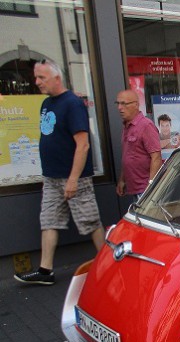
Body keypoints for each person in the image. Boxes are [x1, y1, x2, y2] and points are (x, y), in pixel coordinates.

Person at [14, 59, 104, 286]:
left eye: (41, 78)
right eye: (36, 77)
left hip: (74, 177)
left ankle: (107, 263)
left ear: (56, 78)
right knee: (49, 220)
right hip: (51, 177)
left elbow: (82, 145)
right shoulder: (46, 103)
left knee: (90, 221)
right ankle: (46, 271)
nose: (37, 82)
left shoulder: (73, 104)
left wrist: (73, 180)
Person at [116, 89, 162, 199]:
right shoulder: (127, 126)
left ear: (136, 105)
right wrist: (122, 179)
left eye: (124, 103)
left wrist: (150, 186)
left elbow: (156, 157)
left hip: (145, 190)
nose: (119, 108)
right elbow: (128, 155)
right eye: (118, 103)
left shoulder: (146, 126)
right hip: (133, 188)